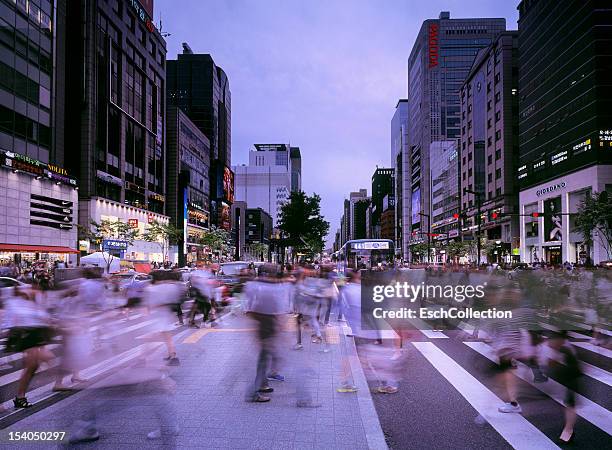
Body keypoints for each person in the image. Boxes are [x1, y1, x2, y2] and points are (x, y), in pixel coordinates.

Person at [242, 264, 292, 403]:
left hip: (264, 323)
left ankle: (263, 384)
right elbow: (278, 307)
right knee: (264, 357)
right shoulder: (272, 287)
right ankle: (253, 392)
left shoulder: (253, 285)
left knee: (265, 356)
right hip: (266, 323)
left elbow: (247, 307)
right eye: (275, 272)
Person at [3, 286, 54, 408]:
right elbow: (12, 321)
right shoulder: (15, 303)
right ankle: (20, 397)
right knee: (32, 365)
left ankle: (20, 396)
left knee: (33, 366)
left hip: (36, 335)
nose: (34, 291)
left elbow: (43, 317)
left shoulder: (34, 302)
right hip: (26, 335)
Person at [547, 331, 581, 443]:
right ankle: (568, 429)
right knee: (568, 403)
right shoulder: (563, 347)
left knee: (570, 403)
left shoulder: (565, 349)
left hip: (572, 378)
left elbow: (574, 368)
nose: (549, 343)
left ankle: (569, 430)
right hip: (568, 377)